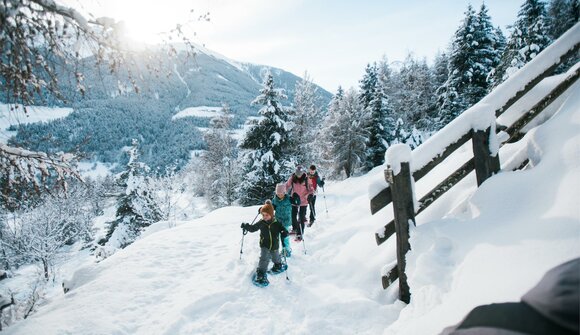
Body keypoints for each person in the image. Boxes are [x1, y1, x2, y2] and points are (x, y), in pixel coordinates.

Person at [240, 201, 289, 286]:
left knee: (276, 256)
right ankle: (261, 273)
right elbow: (253, 228)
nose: (265, 217)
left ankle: (278, 265)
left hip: (275, 244)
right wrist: (246, 226)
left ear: (272, 214)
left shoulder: (277, 223)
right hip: (264, 245)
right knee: (264, 258)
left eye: (267, 215)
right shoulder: (261, 222)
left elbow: (283, 229)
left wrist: (284, 232)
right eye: (263, 215)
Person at [285, 165, 313, 242]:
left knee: (301, 217)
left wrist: (310, 195)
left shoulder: (307, 179)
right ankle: (294, 229)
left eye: (300, 174)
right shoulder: (293, 178)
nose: (299, 175)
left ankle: (300, 234)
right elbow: (287, 186)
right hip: (294, 199)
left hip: (304, 200)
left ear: (303, 173)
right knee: (293, 216)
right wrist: (282, 192)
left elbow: (311, 189)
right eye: (297, 174)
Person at [271, 183, 292, 257]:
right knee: (278, 236)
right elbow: (271, 207)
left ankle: (287, 250)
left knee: (285, 236)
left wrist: (296, 200)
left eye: (281, 193)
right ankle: (281, 250)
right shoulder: (275, 200)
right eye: (278, 193)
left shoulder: (289, 199)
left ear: (284, 192)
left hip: (286, 220)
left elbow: (296, 203)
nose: (279, 195)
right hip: (278, 220)